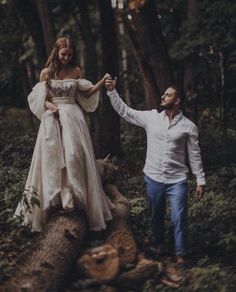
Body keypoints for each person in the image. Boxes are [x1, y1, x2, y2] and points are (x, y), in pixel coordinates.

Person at [15, 37, 113, 232]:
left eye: (69, 54)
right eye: (63, 54)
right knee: (51, 159)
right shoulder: (45, 73)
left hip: (74, 118)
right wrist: (51, 107)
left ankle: (74, 200)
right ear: (56, 52)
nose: (66, 57)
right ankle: (54, 201)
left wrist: (102, 82)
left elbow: (85, 94)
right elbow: (39, 99)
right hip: (53, 117)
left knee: (74, 156)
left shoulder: (76, 71)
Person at [105, 77, 206, 264]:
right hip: (153, 177)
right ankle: (159, 247)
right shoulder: (151, 117)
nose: (163, 96)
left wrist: (200, 180)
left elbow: (194, 154)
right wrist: (112, 91)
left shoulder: (189, 127)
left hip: (177, 180)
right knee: (156, 216)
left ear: (177, 101)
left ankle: (181, 254)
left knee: (179, 218)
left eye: (167, 95)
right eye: (164, 94)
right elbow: (125, 112)